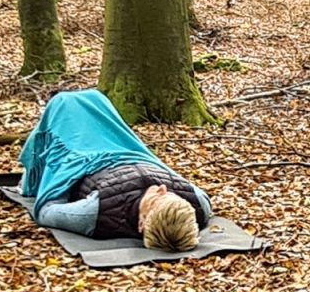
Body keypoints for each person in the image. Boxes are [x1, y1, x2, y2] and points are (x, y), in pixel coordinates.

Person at [17, 89, 211, 251]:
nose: (162, 188)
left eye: (156, 199)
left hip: (87, 160)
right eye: (172, 196)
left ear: (141, 225)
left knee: (63, 103)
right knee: (96, 98)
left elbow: (46, 211)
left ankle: (32, 168)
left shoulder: (94, 214)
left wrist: (56, 177)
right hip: (128, 148)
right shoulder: (199, 205)